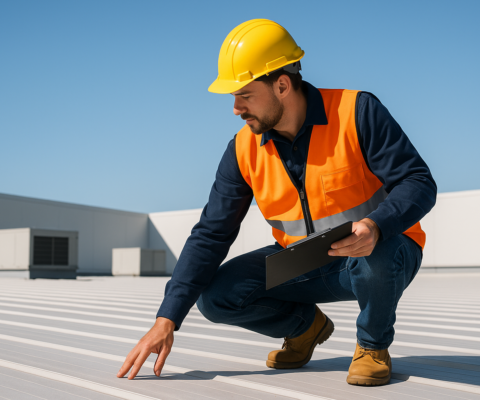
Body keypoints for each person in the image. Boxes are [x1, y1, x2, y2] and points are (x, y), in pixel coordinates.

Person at [117, 19, 437, 387]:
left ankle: (372, 344)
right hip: (305, 259)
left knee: (376, 252)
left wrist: (376, 225)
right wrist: (167, 318)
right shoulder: (242, 149)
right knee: (218, 295)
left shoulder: (356, 111)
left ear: (282, 84)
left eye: (245, 95)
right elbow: (211, 233)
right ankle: (305, 328)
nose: (236, 108)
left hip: (378, 252)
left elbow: (418, 182)